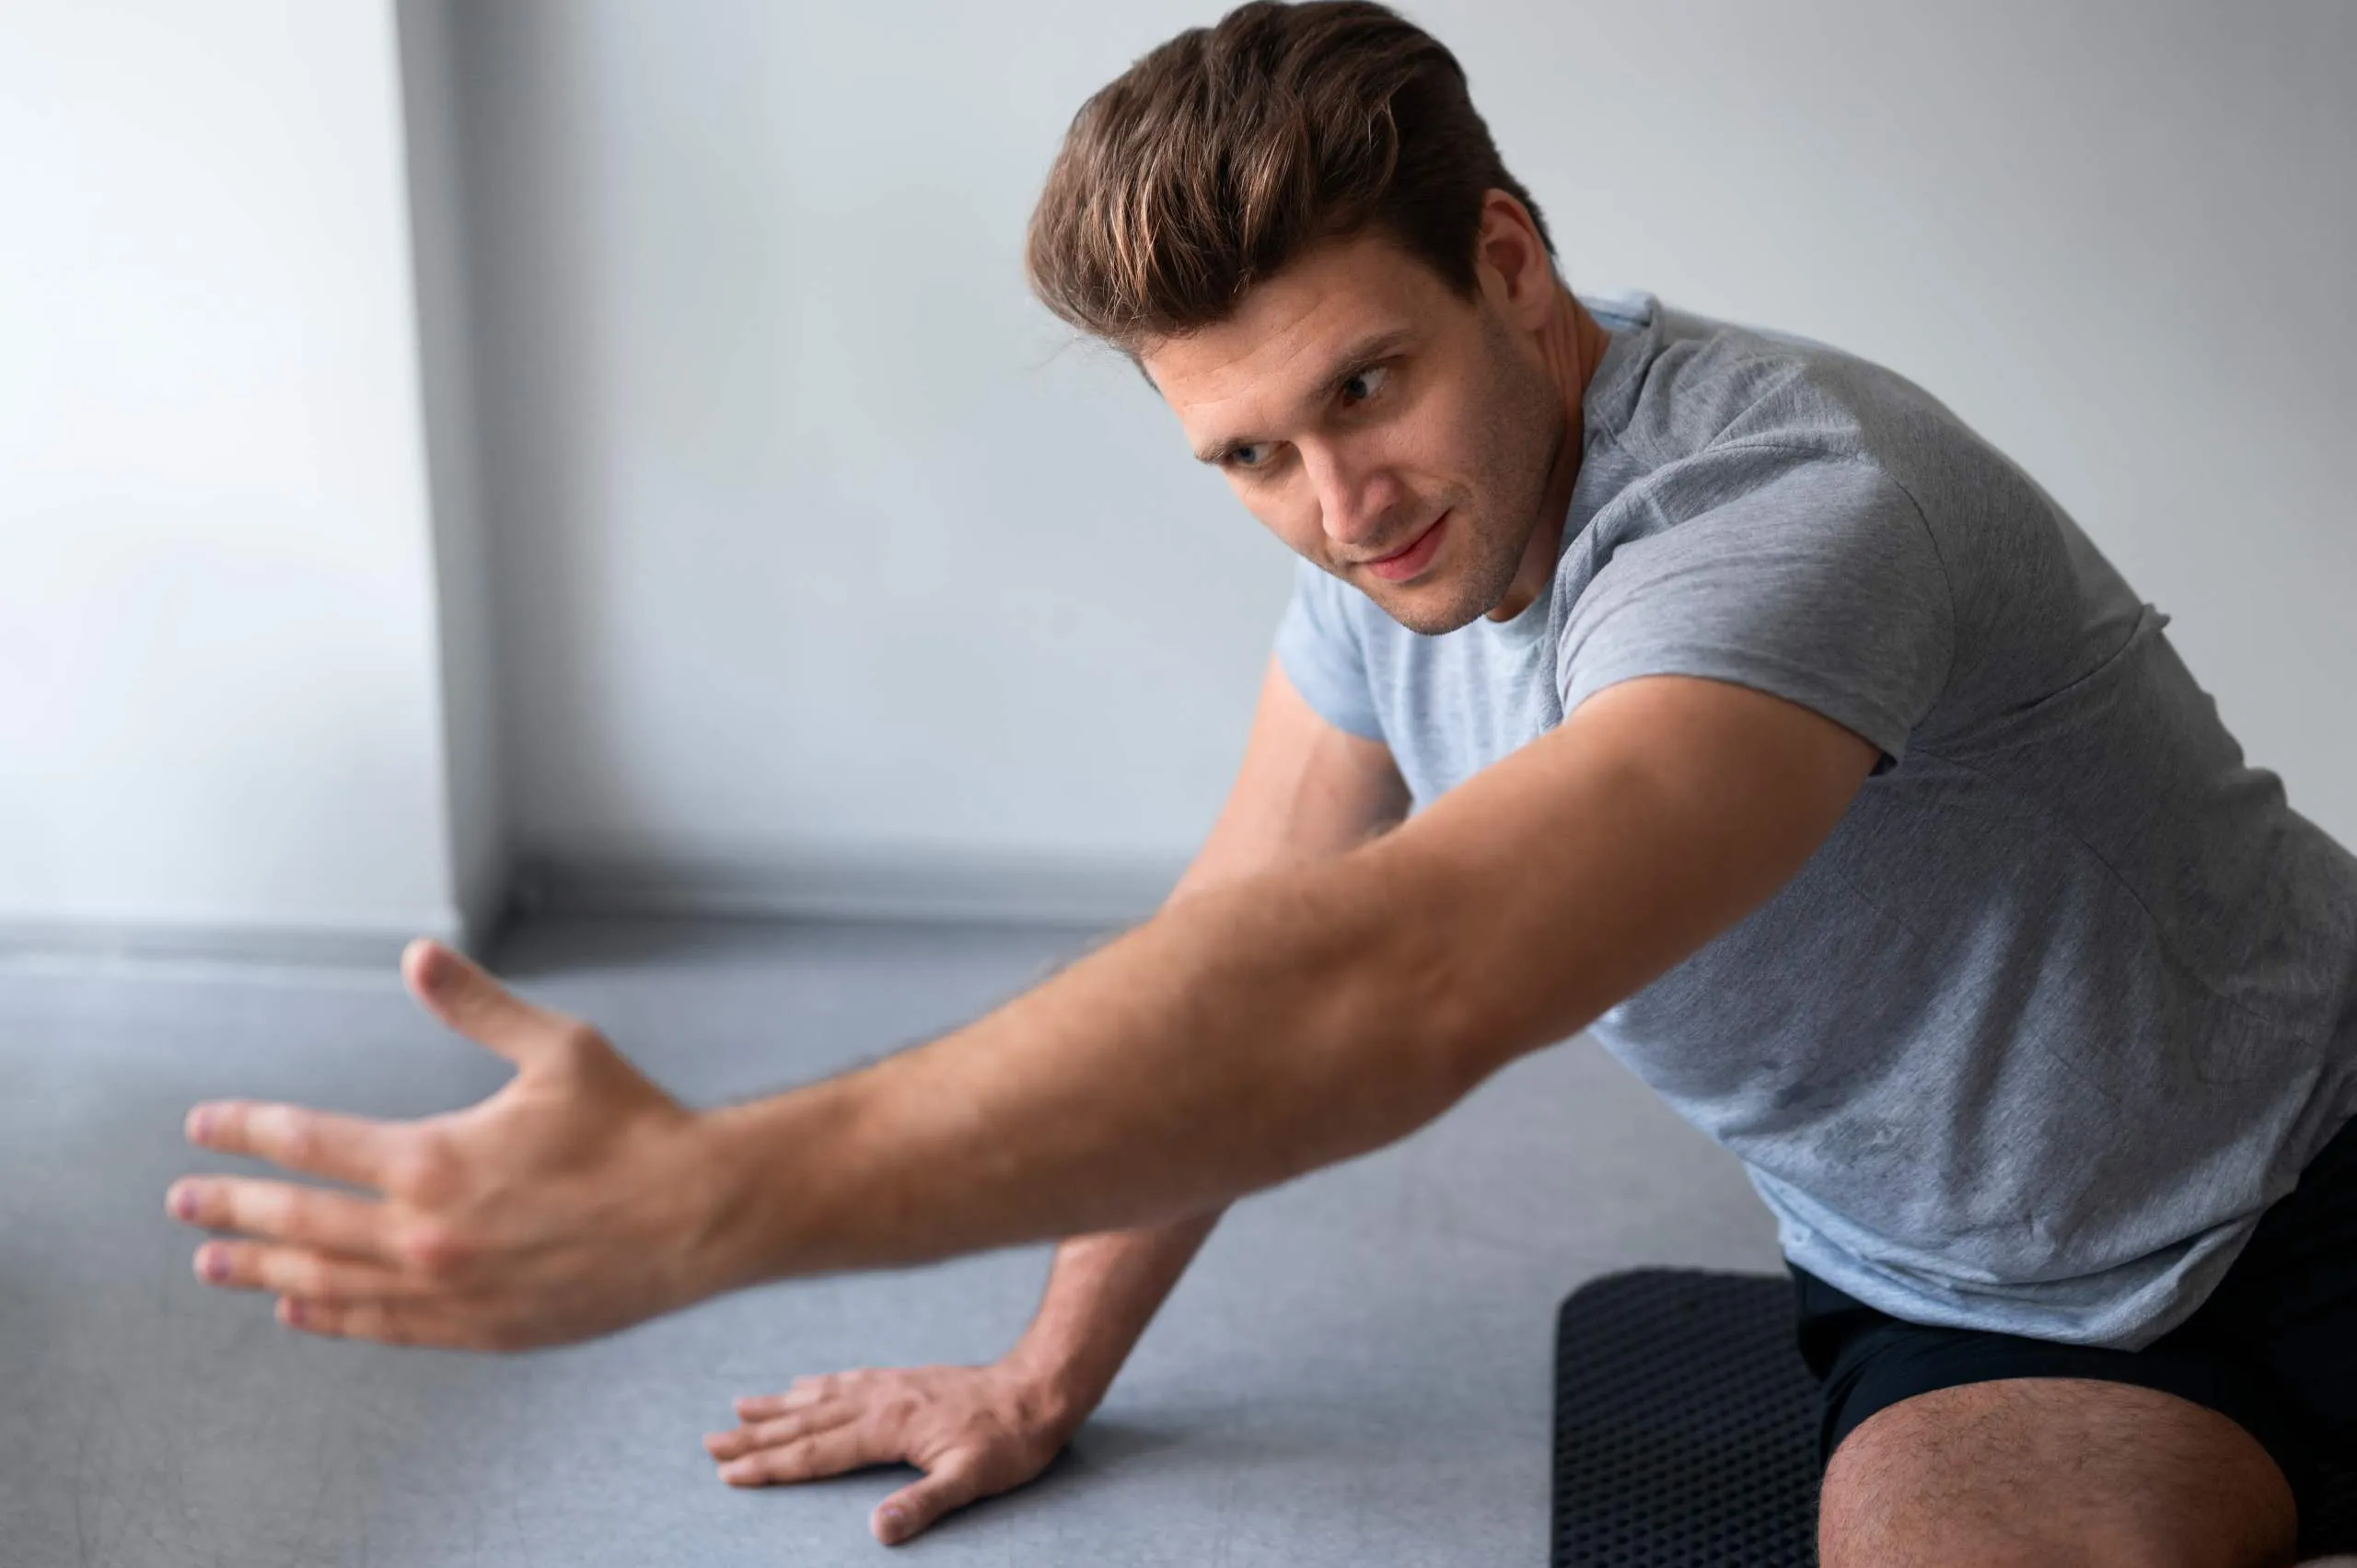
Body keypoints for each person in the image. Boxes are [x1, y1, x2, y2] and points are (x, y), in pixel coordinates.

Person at [166, 3, 2357, 1561]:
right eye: (1245, 454)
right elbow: (1242, 955)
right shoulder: (1388, 570)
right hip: (1979, 1302)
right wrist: (1038, 1378)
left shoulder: (1789, 517)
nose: (1335, 503)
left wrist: (705, 1197)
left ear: (1509, 263)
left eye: (1365, 384)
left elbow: (1393, 988)